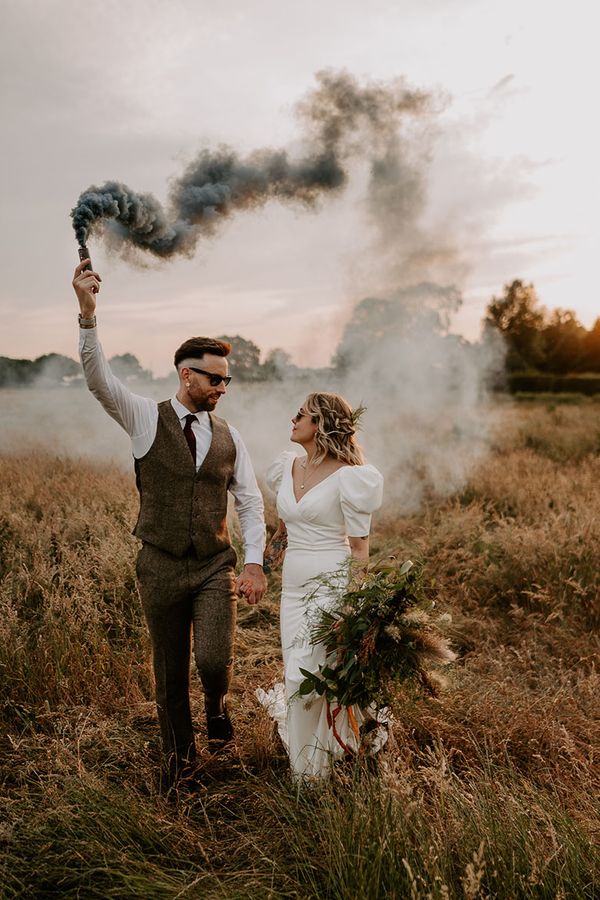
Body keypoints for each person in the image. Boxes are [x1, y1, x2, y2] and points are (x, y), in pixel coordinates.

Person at [71, 259, 267, 787]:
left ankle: (217, 705)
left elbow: (250, 501)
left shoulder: (230, 436)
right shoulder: (143, 417)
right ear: (187, 374)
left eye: (227, 379)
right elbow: (99, 380)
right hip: (158, 565)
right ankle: (182, 766)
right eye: (215, 378)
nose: (223, 387)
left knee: (213, 659)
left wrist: (253, 563)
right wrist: (88, 314)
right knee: (170, 673)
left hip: (213, 566)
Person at [258, 392, 384, 780]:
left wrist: (351, 605)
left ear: (321, 424)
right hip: (292, 592)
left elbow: (359, 549)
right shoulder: (287, 466)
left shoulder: (351, 477)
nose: (293, 419)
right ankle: (305, 773)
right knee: (294, 676)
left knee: (313, 675)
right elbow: (283, 531)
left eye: (302, 415)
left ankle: (327, 762)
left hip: (330, 587)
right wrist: (258, 570)